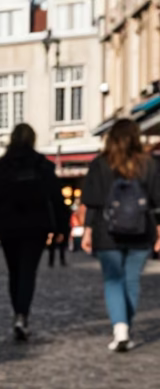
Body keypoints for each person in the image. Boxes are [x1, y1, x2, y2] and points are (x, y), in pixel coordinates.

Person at [0, 123, 70, 341]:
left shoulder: (1, 167)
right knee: (27, 271)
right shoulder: (41, 165)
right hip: (35, 226)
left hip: (9, 226)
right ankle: (22, 315)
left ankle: (18, 313)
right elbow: (57, 199)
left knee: (15, 272)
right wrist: (61, 227)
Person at [81, 119, 160, 351]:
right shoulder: (150, 164)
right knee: (132, 280)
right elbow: (157, 202)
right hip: (142, 230)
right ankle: (126, 327)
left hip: (107, 233)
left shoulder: (100, 164)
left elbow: (92, 203)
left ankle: (120, 328)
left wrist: (88, 231)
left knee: (113, 281)